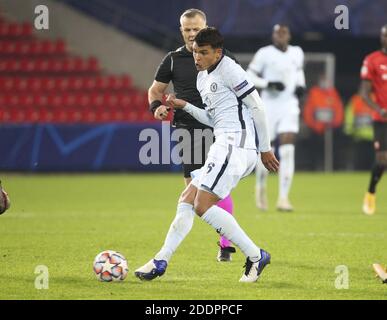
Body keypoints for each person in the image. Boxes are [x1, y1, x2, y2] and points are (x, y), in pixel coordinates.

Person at [135, 27, 279, 282]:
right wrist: (185, 105)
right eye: (194, 53)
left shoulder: (230, 68)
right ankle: (161, 260)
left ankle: (256, 256)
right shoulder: (203, 78)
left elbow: (257, 106)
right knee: (187, 198)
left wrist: (265, 148)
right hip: (223, 142)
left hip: (237, 145)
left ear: (218, 53)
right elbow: (213, 119)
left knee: (202, 205)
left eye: (203, 53)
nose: (197, 58)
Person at [148, 8, 237, 261]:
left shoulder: (222, 57)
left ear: (205, 28)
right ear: (181, 30)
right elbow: (155, 90)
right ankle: (226, 240)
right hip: (188, 131)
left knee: (213, 188)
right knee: (196, 193)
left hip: (218, 129)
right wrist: (157, 107)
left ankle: (225, 242)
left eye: (196, 29)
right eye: (187, 30)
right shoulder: (173, 59)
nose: (191, 34)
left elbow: (239, 90)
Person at [246, 24, 306, 212]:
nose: (280, 36)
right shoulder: (264, 53)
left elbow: (298, 72)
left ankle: (283, 198)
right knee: (266, 149)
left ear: (289, 35)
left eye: (283, 33)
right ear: (273, 35)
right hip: (269, 107)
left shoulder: (297, 52)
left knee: (288, 150)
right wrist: (268, 83)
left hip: (289, 105)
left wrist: (301, 85)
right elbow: (249, 76)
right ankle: (261, 187)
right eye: (277, 33)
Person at [360, 24, 387, 215]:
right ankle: (370, 192)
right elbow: (364, 94)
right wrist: (380, 109)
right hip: (381, 118)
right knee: (381, 161)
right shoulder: (372, 60)